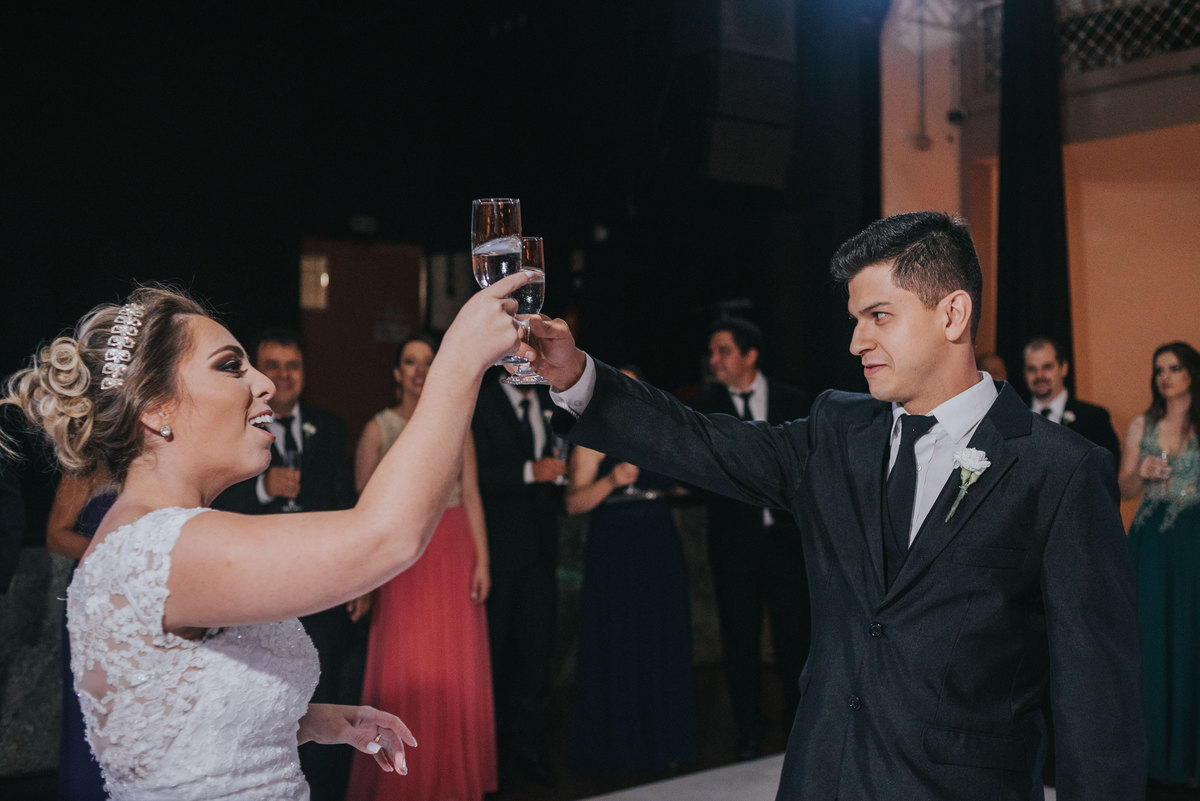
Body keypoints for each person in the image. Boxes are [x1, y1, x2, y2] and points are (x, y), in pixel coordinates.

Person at [524, 211, 1144, 800]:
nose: (856, 342)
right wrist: (578, 374)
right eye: (855, 319)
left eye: (878, 315)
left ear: (953, 313)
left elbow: (1099, 705)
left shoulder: (1060, 471)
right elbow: (702, 442)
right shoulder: (835, 434)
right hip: (825, 775)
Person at [0, 275, 529, 800]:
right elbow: (387, 537)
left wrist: (305, 721)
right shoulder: (159, 546)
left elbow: (172, 723)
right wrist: (458, 362)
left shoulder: (148, 536)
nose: (266, 383)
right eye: (232, 366)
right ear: (157, 409)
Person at [210, 328, 363, 801]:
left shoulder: (330, 427)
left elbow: (347, 504)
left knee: (329, 684)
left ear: (303, 373)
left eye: (292, 366)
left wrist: (359, 577)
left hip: (325, 585)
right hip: (259, 588)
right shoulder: (235, 428)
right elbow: (214, 504)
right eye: (272, 365)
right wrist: (263, 489)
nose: (282, 375)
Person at [345, 333, 497, 801]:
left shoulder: (458, 424)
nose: (419, 369)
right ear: (397, 373)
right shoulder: (378, 428)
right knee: (407, 664)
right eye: (409, 362)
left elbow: (471, 492)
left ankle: (453, 778)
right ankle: (403, 782)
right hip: (404, 557)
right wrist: (362, 577)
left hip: (454, 549)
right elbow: (362, 514)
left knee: (455, 668)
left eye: (428, 361)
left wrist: (483, 559)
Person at [689, 318, 812, 760]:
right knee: (738, 643)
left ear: (750, 355)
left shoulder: (793, 402)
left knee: (794, 640)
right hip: (733, 546)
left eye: (723, 351)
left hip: (787, 546)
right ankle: (747, 729)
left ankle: (799, 727)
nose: (714, 360)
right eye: (713, 352)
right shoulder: (704, 408)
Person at [567, 365, 697, 777]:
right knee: (619, 639)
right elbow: (573, 503)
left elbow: (682, 484)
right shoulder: (591, 436)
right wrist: (611, 482)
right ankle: (619, 749)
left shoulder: (657, 432)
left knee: (663, 638)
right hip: (616, 546)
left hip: (657, 541)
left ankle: (668, 743)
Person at [470, 369, 565, 788]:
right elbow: (476, 479)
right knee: (496, 659)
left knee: (536, 656)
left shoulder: (546, 401)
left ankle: (531, 752)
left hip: (543, 554)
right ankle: (492, 758)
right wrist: (531, 471)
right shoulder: (482, 404)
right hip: (499, 556)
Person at [1118, 340, 1200, 790]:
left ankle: (1189, 757)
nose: (1164, 377)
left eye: (1173, 368)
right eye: (1159, 370)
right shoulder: (1142, 425)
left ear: (1191, 373)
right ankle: (1153, 758)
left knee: (1190, 643)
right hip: (1150, 546)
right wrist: (1140, 471)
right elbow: (1124, 489)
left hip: (1194, 545)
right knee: (1150, 643)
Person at [45, 471, 117, 801]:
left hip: (147, 602)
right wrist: (118, 557)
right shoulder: (87, 467)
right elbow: (57, 535)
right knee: (92, 712)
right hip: (96, 603)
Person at [1022, 336, 1121, 461]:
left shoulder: (1095, 418)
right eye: (1032, 369)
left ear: (1063, 368)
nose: (1039, 375)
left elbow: (1107, 469)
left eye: (1047, 367)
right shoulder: (1015, 418)